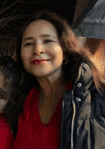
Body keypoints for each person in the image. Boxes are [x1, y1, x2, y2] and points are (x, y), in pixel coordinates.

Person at [13, 11, 105, 149]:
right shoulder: (21, 98)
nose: (37, 50)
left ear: (65, 50)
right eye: (28, 43)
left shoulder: (95, 98)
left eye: (48, 40)